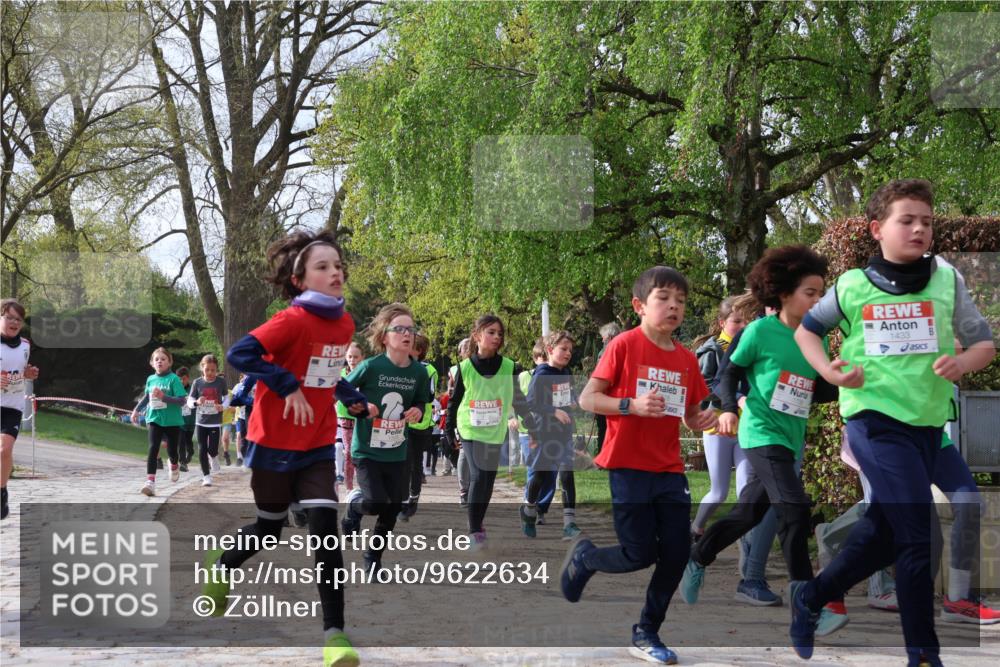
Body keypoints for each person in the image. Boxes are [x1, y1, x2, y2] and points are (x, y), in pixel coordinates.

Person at [791, 179, 996, 666]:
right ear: (877, 229)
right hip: (873, 421)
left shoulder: (947, 280)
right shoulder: (853, 286)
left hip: (928, 428)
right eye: (908, 220)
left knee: (886, 531)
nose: (920, 228)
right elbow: (807, 332)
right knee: (918, 531)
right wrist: (828, 369)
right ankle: (923, 654)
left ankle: (813, 595)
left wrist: (963, 364)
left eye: (926, 221)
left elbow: (984, 344)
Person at [201, 229, 367, 667]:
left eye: (338, 266)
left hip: (315, 441)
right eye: (323, 267)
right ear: (299, 279)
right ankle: (221, 566)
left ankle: (335, 637)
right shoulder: (290, 320)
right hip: (273, 442)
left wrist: (348, 394)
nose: (335, 273)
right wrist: (284, 383)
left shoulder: (344, 323)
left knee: (325, 536)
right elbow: (241, 353)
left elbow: (326, 371)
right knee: (269, 528)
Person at [562, 266, 717, 665]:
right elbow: (587, 400)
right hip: (628, 466)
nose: (674, 307)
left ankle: (647, 630)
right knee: (639, 553)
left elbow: (691, 414)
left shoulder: (686, 358)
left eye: (681, 301)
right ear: (640, 305)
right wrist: (630, 405)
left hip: (668, 469)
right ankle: (585, 557)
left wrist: (705, 420)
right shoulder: (624, 346)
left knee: (677, 552)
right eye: (663, 298)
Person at [680, 246, 837, 619]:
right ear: (784, 295)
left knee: (748, 512)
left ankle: (699, 555)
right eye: (810, 293)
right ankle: (807, 602)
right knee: (795, 509)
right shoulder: (760, 332)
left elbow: (821, 391)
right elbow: (728, 373)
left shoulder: (819, 337)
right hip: (761, 432)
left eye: (821, 293)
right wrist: (730, 409)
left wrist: (842, 376)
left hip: (790, 435)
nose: (818, 300)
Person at [339, 303, 430, 572]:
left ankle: (372, 559)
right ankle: (354, 508)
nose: (407, 333)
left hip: (397, 450)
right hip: (367, 450)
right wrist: (361, 407)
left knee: (393, 508)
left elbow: (421, 402)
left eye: (411, 329)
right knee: (376, 503)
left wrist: (417, 410)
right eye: (399, 328)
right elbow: (341, 395)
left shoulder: (419, 373)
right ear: (384, 336)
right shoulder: (370, 367)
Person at [445, 315, 539, 550]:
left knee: (487, 480)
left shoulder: (510, 367)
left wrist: (532, 425)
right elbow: (454, 402)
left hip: (494, 430)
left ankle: (478, 523)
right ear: (477, 335)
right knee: (477, 475)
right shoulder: (464, 368)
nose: (497, 337)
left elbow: (519, 400)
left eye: (500, 333)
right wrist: (448, 430)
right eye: (491, 332)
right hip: (470, 427)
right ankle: (474, 532)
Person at [521, 330, 582, 540]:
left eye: (570, 350)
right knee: (539, 476)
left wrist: (572, 401)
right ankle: (529, 510)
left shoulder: (565, 373)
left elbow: (565, 396)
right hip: (544, 433)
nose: (568, 354)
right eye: (563, 349)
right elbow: (531, 403)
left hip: (563, 434)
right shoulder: (541, 374)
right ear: (549, 350)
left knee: (566, 474)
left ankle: (569, 524)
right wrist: (554, 411)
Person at [1, 299, 40, 520]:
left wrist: (29, 373)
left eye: (19, 319)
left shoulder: (25, 345)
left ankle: (1, 492)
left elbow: (22, 370)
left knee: (4, 450)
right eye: (9, 317)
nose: (14, 322)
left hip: (12, 406)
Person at [131, 347, 188, 496]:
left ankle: (174, 465)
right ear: (152, 363)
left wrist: (164, 397)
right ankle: (150, 482)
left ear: (170, 362)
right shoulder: (151, 379)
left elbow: (182, 401)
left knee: (172, 452)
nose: (160, 361)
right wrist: (136, 410)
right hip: (154, 418)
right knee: (153, 447)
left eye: (163, 359)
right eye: (156, 359)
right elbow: (146, 396)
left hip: (172, 421)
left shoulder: (174, 379)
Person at [399, 332, 437, 521]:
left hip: (422, 424)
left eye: (411, 345)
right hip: (402, 423)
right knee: (404, 461)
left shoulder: (429, 370)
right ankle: (403, 501)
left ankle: (413, 498)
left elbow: (429, 396)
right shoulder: (400, 366)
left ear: (419, 351)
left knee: (415, 464)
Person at [187, 354, 228, 487]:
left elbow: (227, 397)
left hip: (215, 421)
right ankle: (206, 476)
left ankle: (214, 457)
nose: (210, 373)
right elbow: (190, 401)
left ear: (216, 370)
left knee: (212, 449)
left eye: (213, 370)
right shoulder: (197, 382)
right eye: (207, 370)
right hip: (201, 422)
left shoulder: (221, 382)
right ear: (202, 368)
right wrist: (197, 402)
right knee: (202, 448)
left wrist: (223, 406)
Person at [334, 342, 364, 490]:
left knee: (362, 453)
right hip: (345, 417)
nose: (353, 360)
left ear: (362, 358)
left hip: (363, 418)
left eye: (356, 357)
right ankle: (349, 489)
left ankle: (364, 486)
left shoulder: (366, 374)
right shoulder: (341, 374)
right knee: (349, 453)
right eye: (350, 357)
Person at [593, 321, 621, 457]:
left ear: (609, 338)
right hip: (620, 397)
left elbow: (600, 375)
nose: (602, 340)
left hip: (605, 396)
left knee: (603, 428)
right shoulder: (626, 349)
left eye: (603, 338)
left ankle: (603, 457)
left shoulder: (605, 352)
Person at [176, 367, 196, 472]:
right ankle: (183, 463)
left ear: (187, 378)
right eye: (179, 379)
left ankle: (191, 451)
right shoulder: (175, 389)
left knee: (188, 441)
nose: (181, 381)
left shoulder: (193, 388)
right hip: (180, 421)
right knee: (181, 442)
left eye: (183, 379)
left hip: (191, 421)